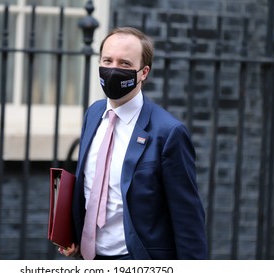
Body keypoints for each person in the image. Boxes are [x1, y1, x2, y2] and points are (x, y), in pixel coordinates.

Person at [58, 27, 208, 260]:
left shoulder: (168, 133)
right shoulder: (94, 113)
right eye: (107, 60)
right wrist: (74, 236)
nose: (113, 69)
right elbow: (90, 188)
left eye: (125, 64)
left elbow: (187, 218)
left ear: (144, 72)